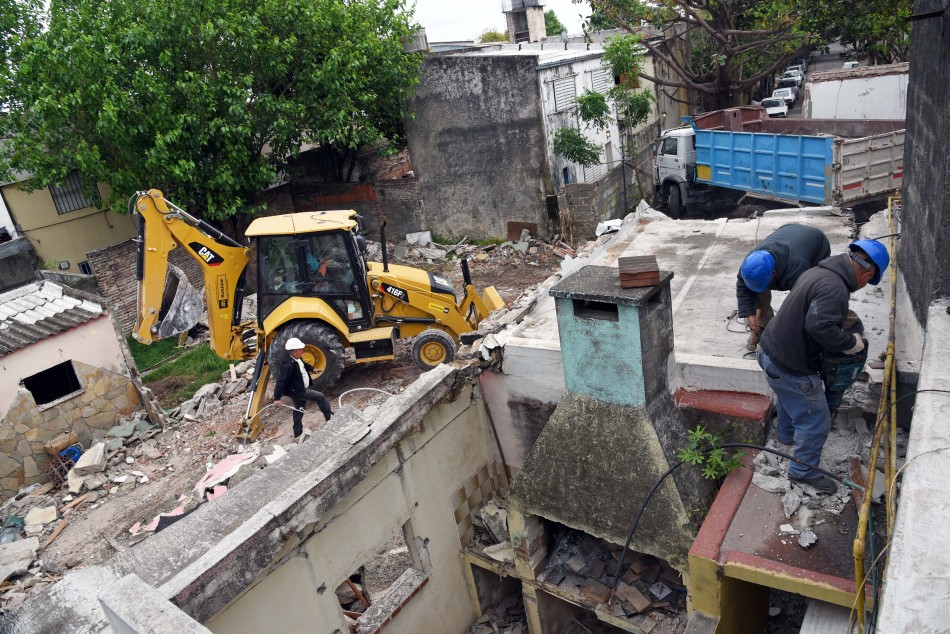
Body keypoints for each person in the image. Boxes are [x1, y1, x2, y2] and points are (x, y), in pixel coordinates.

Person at [757, 239, 889, 494]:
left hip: (769, 352)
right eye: (867, 282)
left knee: (788, 398)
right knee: (816, 420)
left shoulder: (818, 272)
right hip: (789, 366)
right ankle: (802, 471)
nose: (863, 286)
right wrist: (850, 342)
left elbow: (818, 311)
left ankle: (786, 436)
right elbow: (819, 326)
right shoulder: (834, 287)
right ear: (868, 273)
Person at [737, 224, 831, 350]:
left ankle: (850, 322)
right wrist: (749, 313)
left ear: (774, 273)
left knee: (816, 298)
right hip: (788, 232)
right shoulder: (750, 264)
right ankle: (764, 326)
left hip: (817, 245)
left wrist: (784, 333)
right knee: (756, 288)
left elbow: (800, 303)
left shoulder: (797, 267)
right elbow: (743, 287)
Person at [273, 337, 333, 440]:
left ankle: (298, 433)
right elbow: (281, 381)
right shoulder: (288, 365)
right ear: (294, 351)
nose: (302, 351)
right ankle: (330, 419)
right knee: (320, 397)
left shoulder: (296, 358)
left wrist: (312, 369)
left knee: (299, 409)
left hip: (296, 389)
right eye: (300, 350)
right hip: (297, 391)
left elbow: (303, 364)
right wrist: (277, 398)